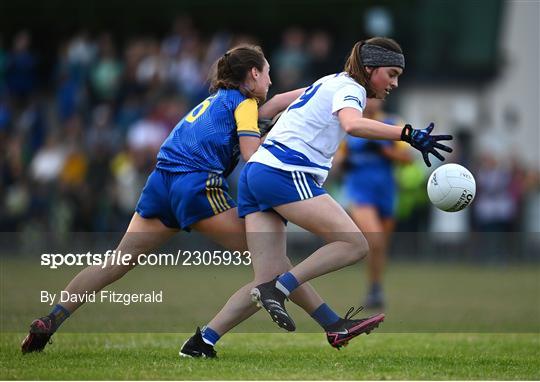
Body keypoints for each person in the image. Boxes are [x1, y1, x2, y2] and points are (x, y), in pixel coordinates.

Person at [20, 45, 323, 354]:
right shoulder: (244, 105)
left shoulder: (216, 101)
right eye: (268, 73)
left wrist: (324, 86)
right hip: (194, 185)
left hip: (160, 183)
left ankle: (51, 319)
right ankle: (330, 323)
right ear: (254, 74)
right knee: (272, 263)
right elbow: (250, 155)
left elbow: (275, 104)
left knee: (116, 263)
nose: (271, 81)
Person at [180, 37, 452, 357]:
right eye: (391, 73)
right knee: (355, 244)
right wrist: (407, 134)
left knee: (267, 274)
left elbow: (277, 100)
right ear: (369, 69)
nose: (394, 82)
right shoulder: (352, 89)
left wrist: (260, 125)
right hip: (285, 172)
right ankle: (280, 289)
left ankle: (202, 342)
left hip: (256, 174)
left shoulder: (330, 81)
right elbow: (352, 125)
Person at [336, 98, 412, 309]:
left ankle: (374, 288)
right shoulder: (351, 124)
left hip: (386, 192)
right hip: (360, 192)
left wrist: (384, 152)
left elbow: (408, 159)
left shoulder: (391, 123)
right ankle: (374, 288)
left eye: (375, 99)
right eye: (368, 98)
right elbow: (336, 162)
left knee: (380, 247)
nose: (371, 103)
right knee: (375, 239)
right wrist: (346, 160)